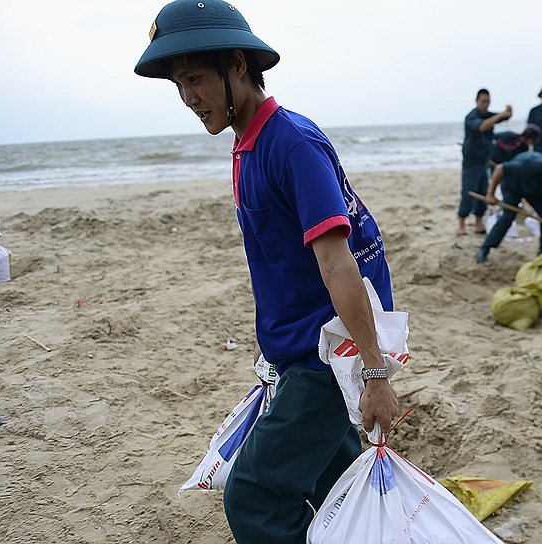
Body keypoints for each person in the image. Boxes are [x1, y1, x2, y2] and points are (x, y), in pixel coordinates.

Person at [134, 2, 399, 543]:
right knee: (341, 485)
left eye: (195, 80)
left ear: (237, 66)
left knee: (254, 494)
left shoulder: (292, 143)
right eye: (177, 85)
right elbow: (284, 263)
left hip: (326, 357)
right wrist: (270, 347)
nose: (188, 98)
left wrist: (376, 373)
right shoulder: (246, 145)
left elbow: (336, 260)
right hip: (294, 349)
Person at [476, 154, 542, 263]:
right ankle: (485, 248)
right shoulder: (529, 166)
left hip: (534, 191)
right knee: (508, 216)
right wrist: (491, 194)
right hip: (512, 186)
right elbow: (500, 168)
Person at [460, 89, 512, 235]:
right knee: (469, 191)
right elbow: (483, 126)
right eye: (483, 101)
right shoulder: (472, 116)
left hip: (484, 158)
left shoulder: (488, 115)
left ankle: (478, 223)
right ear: (476, 101)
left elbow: (504, 117)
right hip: (471, 160)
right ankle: (461, 223)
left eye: (488, 102)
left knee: (483, 191)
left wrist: (507, 112)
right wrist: (500, 115)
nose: (485, 104)